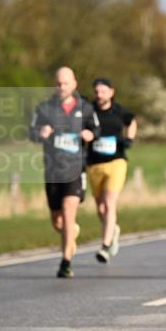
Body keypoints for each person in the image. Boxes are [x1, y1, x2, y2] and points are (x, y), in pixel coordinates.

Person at [30, 67, 99, 278]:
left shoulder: (85, 108)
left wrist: (90, 134)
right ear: (54, 84)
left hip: (75, 169)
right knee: (58, 221)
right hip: (52, 171)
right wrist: (40, 133)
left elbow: (96, 130)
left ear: (74, 84)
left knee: (69, 213)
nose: (62, 87)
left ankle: (66, 262)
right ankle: (71, 234)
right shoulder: (44, 108)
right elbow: (31, 132)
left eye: (66, 83)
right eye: (59, 83)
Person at [86, 77, 136, 264]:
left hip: (116, 162)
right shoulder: (89, 111)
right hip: (94, 163)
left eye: (103, 91)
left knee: (109, 203)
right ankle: (112, 229)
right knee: (100, 208)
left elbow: (132, 121)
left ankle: (105, 246)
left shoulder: (119, 111)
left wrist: (129, 138)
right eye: (97, 92)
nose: (100, 95)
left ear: (111, 92)